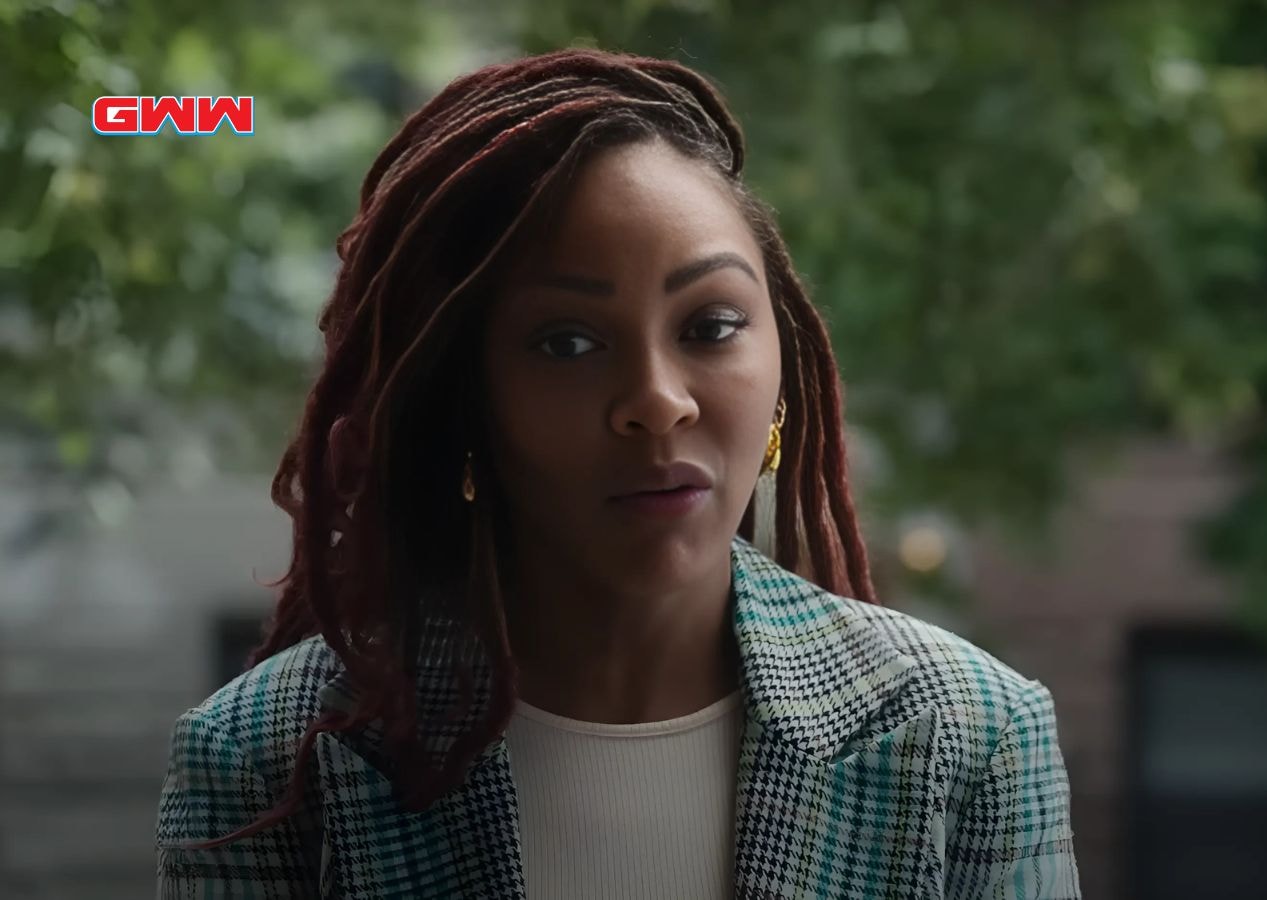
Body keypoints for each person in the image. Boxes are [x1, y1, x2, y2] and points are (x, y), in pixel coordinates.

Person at [154, 48, 1081, 899]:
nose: (657, 401)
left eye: (711, 326)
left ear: (785, 368)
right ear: (464, 396)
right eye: (568, 342)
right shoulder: (267, 762)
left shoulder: (968, 733)